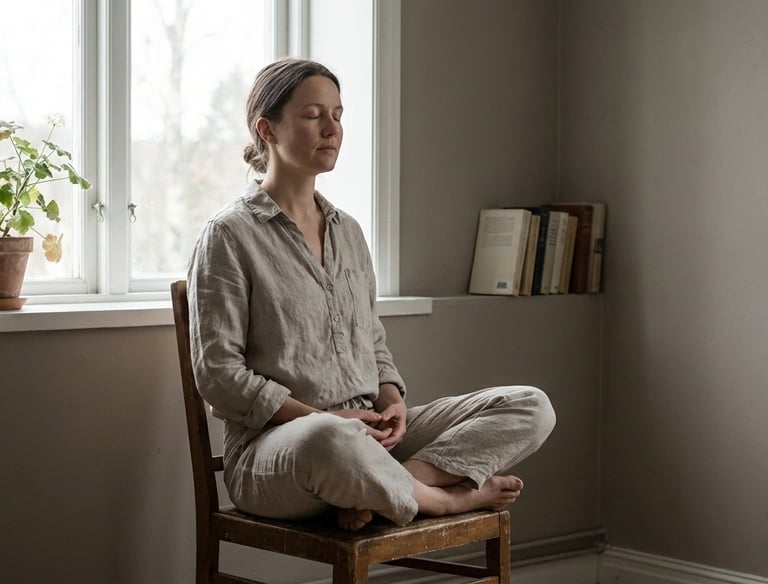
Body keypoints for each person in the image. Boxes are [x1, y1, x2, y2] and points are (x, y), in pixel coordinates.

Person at [188, 57, 556, 532]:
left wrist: (392, 401)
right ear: (267, 129)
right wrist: (325, 419)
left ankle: (393, 485)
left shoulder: (349, 233)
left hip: (371, 437)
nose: (331, 129)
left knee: (531, 405)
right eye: (313, 115)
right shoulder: (228, 235)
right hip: (281, 450)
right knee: (328, 438)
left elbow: (373, 344)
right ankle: (440, 500)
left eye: (338, 115)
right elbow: (218, 374)